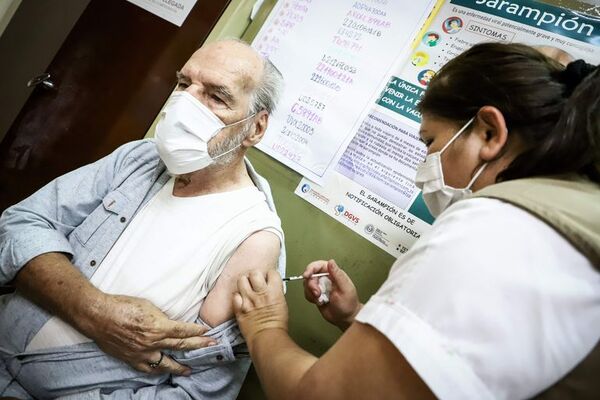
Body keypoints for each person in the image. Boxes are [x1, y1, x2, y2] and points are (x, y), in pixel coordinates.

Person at [232, 42, 600, 399]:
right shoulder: (572, 206)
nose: (424, 167)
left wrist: (264, 325)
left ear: (489, 132)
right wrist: (358, 316)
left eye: (431, 142)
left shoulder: (500, 230)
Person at [0, 39, 286, 398]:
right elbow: (20, 224)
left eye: (216, 96)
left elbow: (196, 391)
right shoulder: (139, 159)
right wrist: (96, 312)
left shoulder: (253, 238)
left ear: (256, 128)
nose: (185, 106)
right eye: (184, 84)